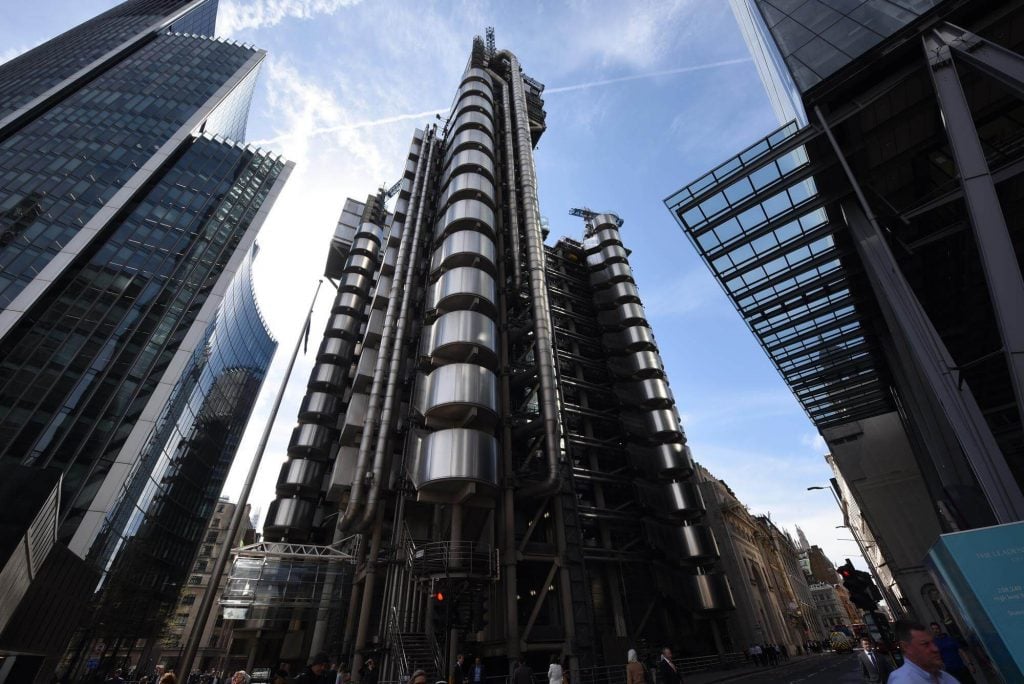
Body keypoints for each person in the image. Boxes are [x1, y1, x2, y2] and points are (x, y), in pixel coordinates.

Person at [889, 620, 960, 683]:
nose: (935, 649)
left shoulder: (945, 677)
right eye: (925, 644)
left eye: (933, 642)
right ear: (905, 647)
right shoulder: (903, 681)